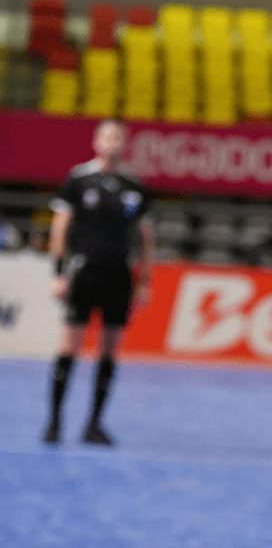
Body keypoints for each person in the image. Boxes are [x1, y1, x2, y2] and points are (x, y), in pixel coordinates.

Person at [44, 119, 154, 446]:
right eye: (106, 136)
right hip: (84, 271)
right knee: (70, 344)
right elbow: (59, 228)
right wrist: (59, 273)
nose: (112, 141)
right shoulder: (78, 180)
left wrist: (145, 282)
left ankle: (94, 424)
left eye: (118, 136)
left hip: (119, 275)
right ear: (96, 141)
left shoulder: (136, 187)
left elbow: (146, 240)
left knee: (110, 348)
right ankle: (54, 422)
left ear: (126, 143)